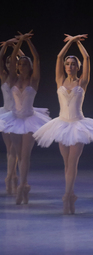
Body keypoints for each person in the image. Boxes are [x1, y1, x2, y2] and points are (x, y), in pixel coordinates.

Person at [33, 34, 93, 214]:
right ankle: (70, 195)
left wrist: (77, 42)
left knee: (73, 162)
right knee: (66, 164)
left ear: (78, 67)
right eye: (68, 64)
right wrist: (70, 42)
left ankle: (68, 195)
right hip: (61, 124)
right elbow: (59, 57)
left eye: (73, 64)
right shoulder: (60, 80)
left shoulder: (82, 82)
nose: (69, 66)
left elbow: (87, 58)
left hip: (78, 124)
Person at [0, 32, 50, 205]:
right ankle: (23, 185)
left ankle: (22, 186)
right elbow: (12, 61)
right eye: (19, 64)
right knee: (18, 155)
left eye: (24, 63)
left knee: (25, 154)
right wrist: (18, 43)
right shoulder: (12, 78)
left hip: (29, 119)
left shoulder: (34, 80)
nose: (21, 65)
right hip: (14, 119)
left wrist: (26, 42)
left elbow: (36, 58)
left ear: (29, 66)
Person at [0, 39, 24, 195]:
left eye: (14, 62)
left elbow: (25, 58)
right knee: (10, 149)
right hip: (4, 115)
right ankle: (12, 177)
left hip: (17, 115)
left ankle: (11, 177)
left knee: (14, 149)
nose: (11, 64)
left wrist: (16, 46)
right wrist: (6, 46)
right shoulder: (3, 75)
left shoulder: (20, 78)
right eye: (9, 62)